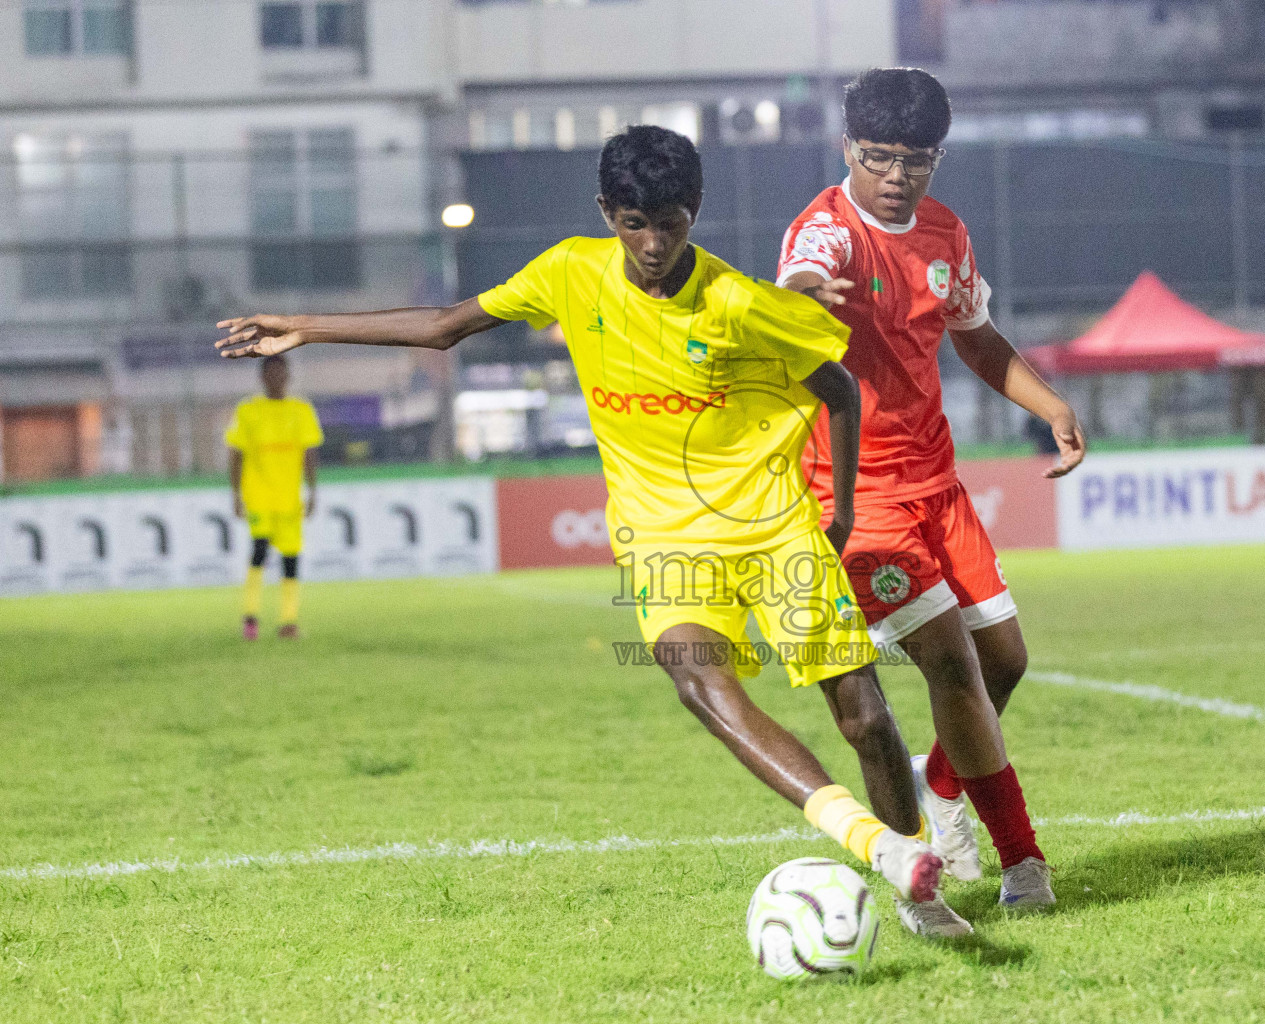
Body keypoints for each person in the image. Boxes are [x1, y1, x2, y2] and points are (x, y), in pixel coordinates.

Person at [215, 125, 961, 929]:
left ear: (694, 212)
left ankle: (915, 873)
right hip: (664, 541)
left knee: (864, 717)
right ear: (608, 211)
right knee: (698, 684)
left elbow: (839, 389)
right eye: (634, 222)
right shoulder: (570, 271)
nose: (651, 242)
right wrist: (304, 324)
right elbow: (443, 325)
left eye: (669, 222)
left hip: (774, 528)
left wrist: (839, 508)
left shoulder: (743, 303)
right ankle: (883, 851)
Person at [778, 68, 1086, 920]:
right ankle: (1020, 862)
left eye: (916, 159)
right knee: (951, 666)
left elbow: (977, 340)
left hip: (937, 485)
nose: (896, 175)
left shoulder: (945, 232)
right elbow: (797, 281)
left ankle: (941, 787)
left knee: (1005, 664)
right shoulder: (825, 232)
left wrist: (1049, 403)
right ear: (848, 148)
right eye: (878, 156)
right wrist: (800, 298)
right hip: (857, 495)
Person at [225, 354, 323, 640]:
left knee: (291, 558)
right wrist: (235, 494)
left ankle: (289, 621)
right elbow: (235, 454)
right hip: (258, 496)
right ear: (262, 377)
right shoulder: (248, 410)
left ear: (288, 375)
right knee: (259, 551)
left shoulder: (301, 409)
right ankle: (251, 618)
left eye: (281, 372)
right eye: (271, 372)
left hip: (290, 498)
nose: (276, 378)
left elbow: (310, 453)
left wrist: (313, 490)